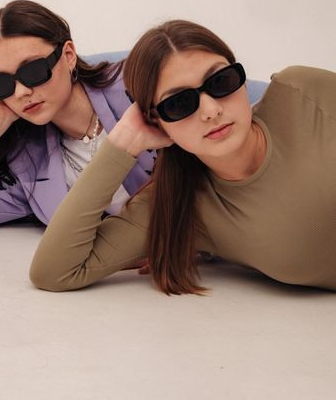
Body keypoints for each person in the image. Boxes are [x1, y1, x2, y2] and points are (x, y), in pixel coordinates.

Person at [30, 19, 336, 293]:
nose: (211, 111)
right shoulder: (180, 205)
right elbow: (55, 271)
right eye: (179, 104)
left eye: (221, 82)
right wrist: (122, 142)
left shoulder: (301, 93)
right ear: (154, 120)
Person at [0, 0, 160, 231]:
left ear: (69, 56)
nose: (21, 92)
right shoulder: (28, 171)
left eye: (33, 70)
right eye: (1, 84)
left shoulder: (138, 88)